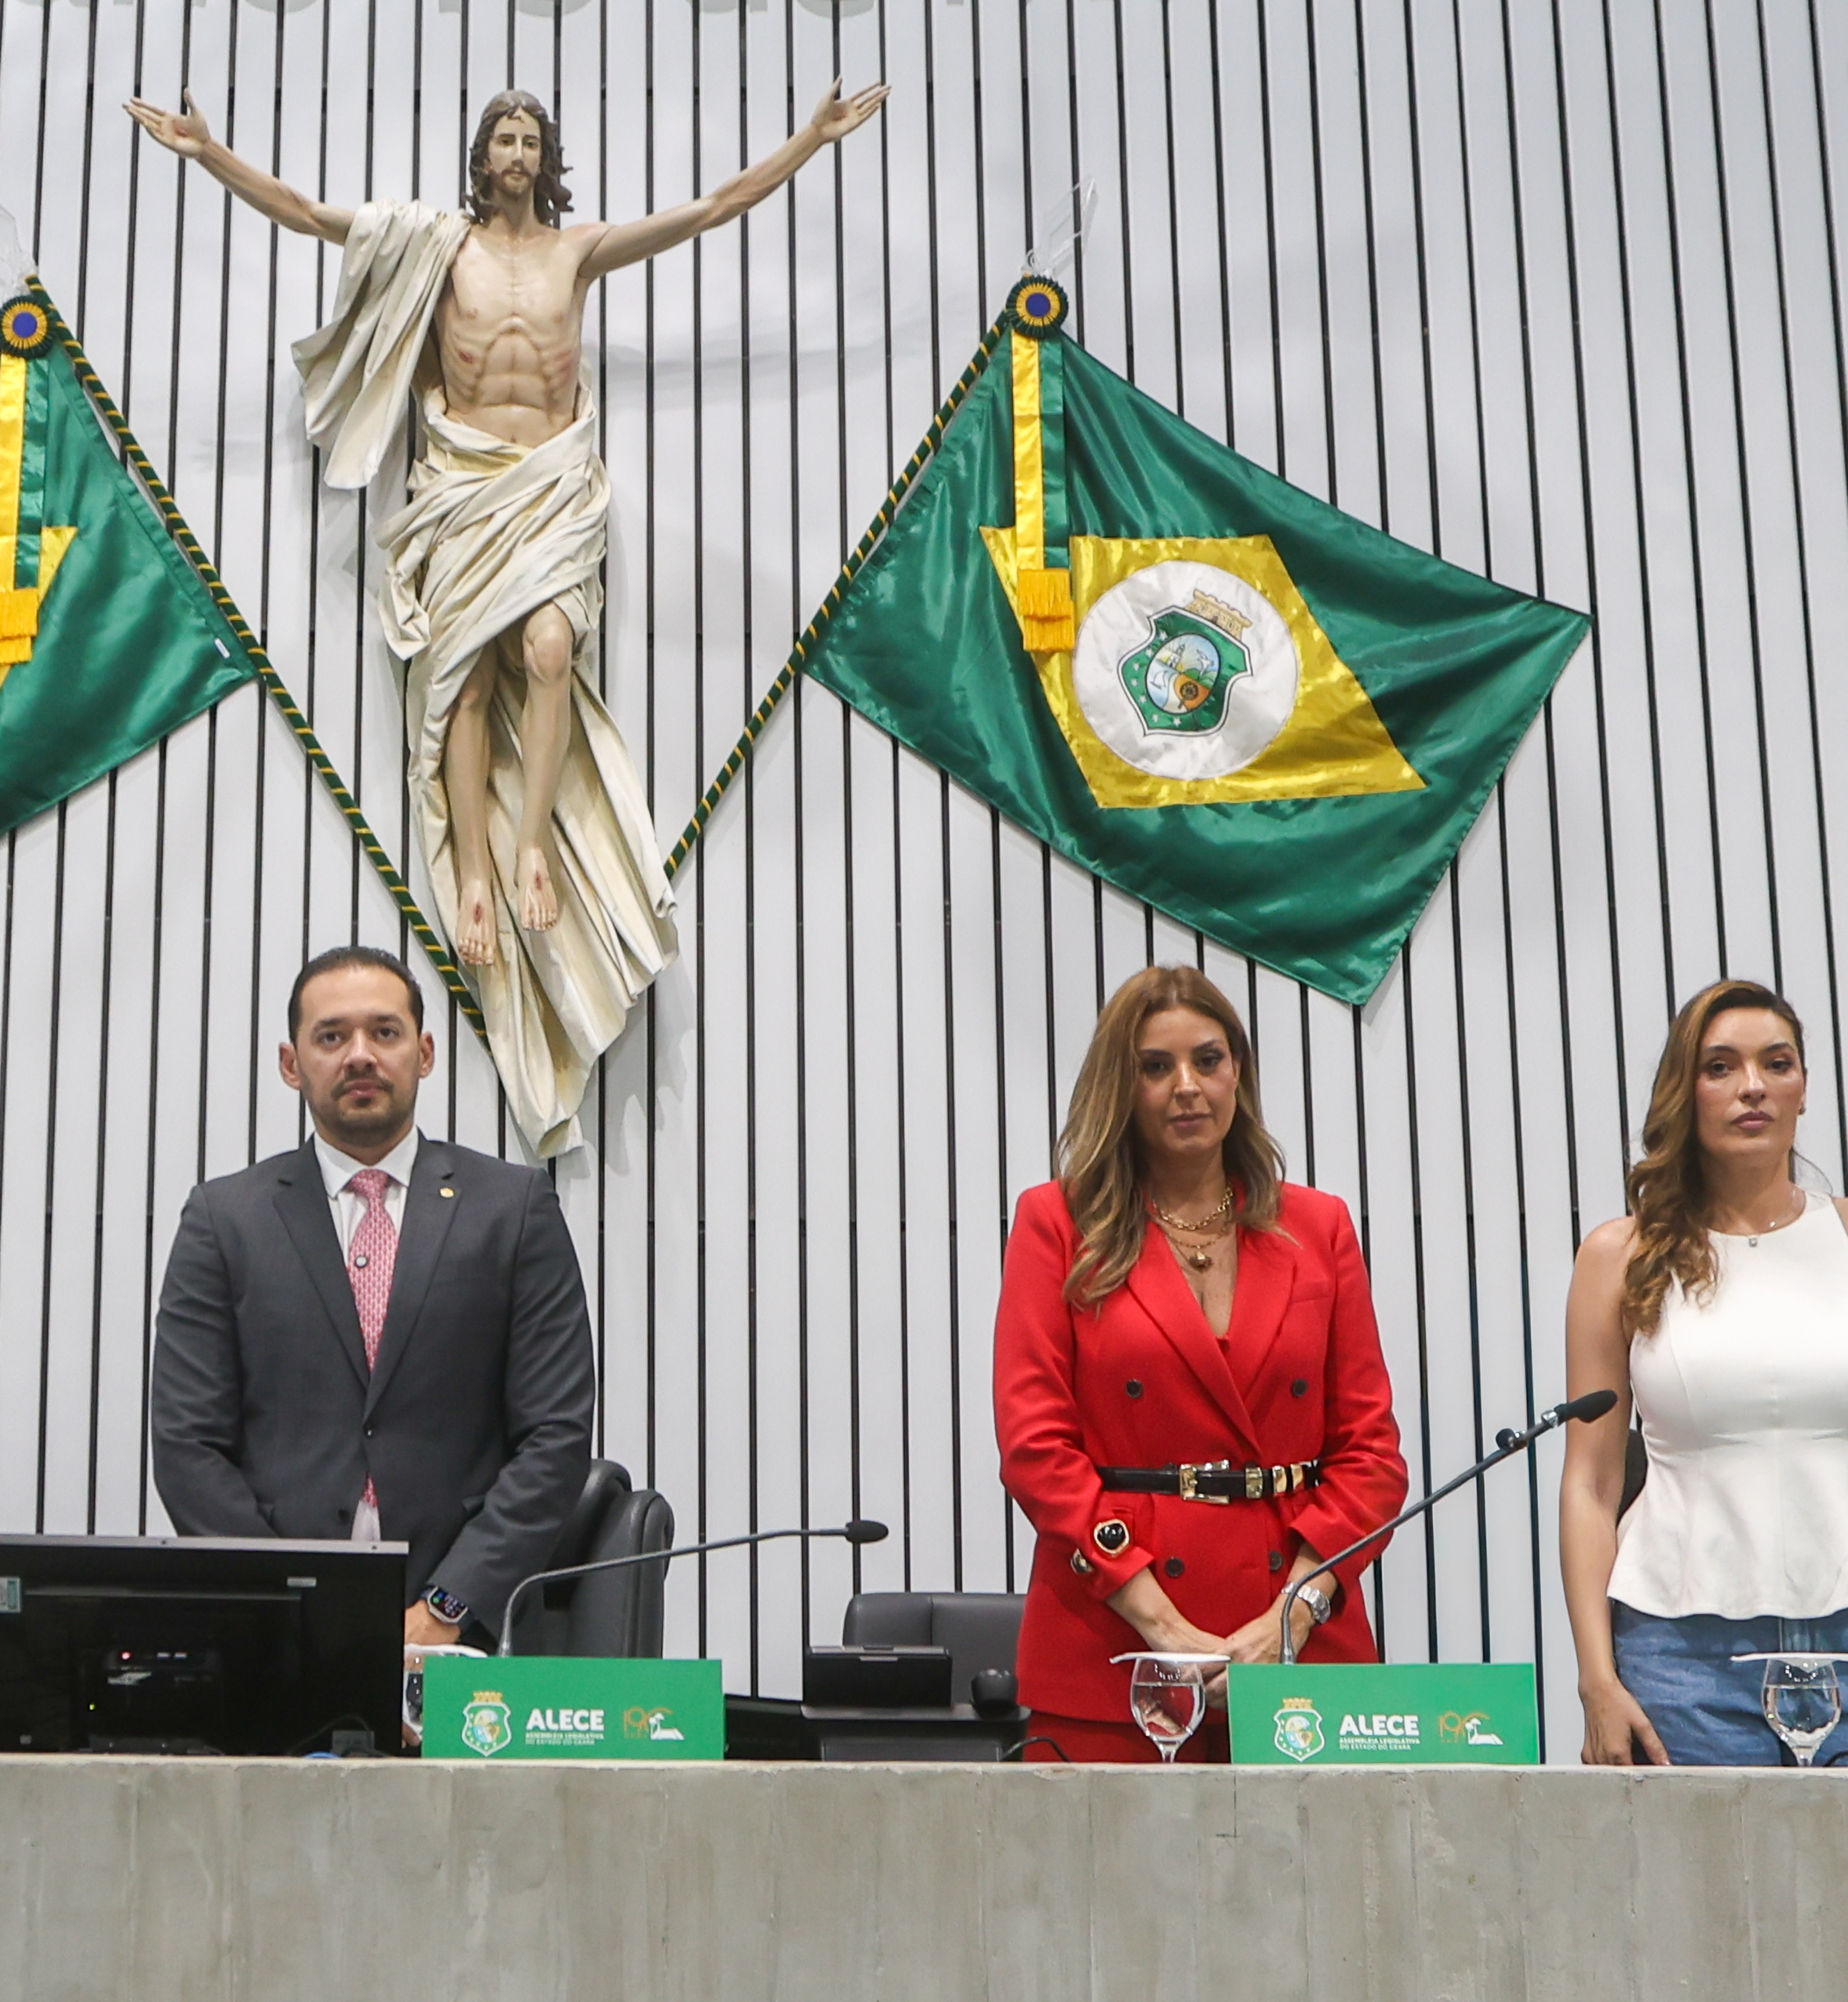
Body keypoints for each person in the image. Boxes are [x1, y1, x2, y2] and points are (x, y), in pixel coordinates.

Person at [122, 82, 884, 1156]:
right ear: (480, 156)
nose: (516, 152)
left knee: (551, 647)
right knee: (464, 681)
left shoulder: (577, 252)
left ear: (546, 155)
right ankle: (476, 869)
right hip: (463, 484)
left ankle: (531, 851)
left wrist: (809, 138)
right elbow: (301, 211)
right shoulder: (437, 246)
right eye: (502, 137)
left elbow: (714, 210)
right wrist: (208, 153)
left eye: (531, 137)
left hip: (552, 483)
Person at [1560, 980, 1848, 1766]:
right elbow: (1588, 1486)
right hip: (1679, 1656)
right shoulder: (1617, 1256)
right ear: (1683, 1092)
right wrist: (1595, 1678)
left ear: (1802, 1088)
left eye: (1775, 1062)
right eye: (1720, 1065)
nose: (1751, 1084)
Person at [992, 967, 1410, 1760]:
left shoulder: (1317, 1226)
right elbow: (1036, 1449)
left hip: (1298, 1648)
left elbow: (1371, 1456)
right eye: (1156, 1066)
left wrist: (1291, 1611)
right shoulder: (1056, 1221)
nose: (1186, 1086)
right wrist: (1163, 1626)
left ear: (1238, 1074)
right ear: (1122, 1084)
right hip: (1113, 1647)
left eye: (1208, 1060)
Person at [147, 947, 594, 1655]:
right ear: (291, 1064)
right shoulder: (223, 1219)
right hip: (276, 1635)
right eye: (331, 1036)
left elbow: (557, 1434)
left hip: (467, 1633)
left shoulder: (512, 1210)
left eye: (384, 1033)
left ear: (424, 1054)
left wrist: (446, 1607)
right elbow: (185, 1443)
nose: (359, 1055)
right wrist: (292, 1600)